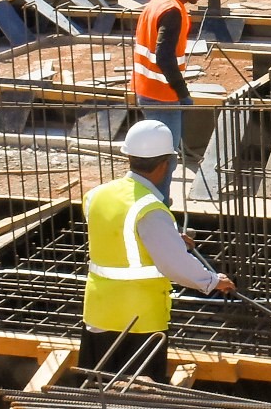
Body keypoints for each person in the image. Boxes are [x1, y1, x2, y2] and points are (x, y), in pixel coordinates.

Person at [81, 119, 235, 381]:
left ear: (129, 156)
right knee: (138, 395)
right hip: (139, 321)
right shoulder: (150, 208)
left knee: (98, 387)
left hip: (98, 312)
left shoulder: (98, 194)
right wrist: (212, 281)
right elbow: (174, 265)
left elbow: (121, 235)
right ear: (166, 164)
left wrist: (169, 237)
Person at [132, 0, 214, 204]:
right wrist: (183, 93)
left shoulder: (156, 3)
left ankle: (155, 207)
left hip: (145, 90)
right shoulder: (173, 11)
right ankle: (159, 210)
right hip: (163, 97)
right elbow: (164, 58)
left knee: (156, 158)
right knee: (164, 161)